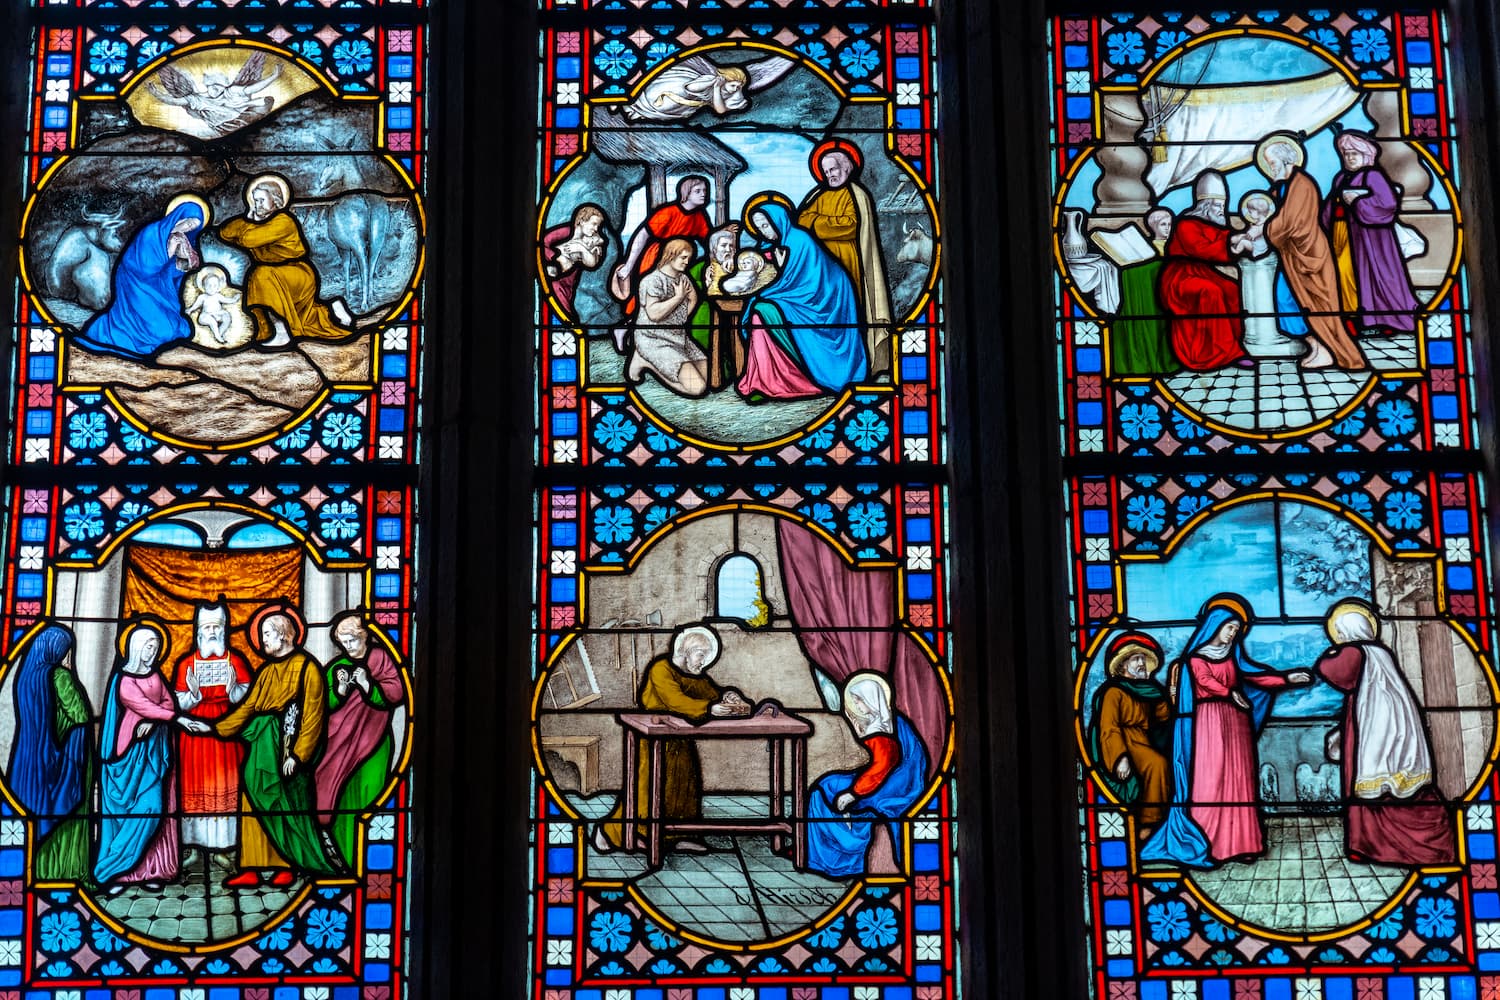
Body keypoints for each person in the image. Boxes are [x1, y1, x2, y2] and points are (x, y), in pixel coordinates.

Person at [1140, 596, 1312, 867]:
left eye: (1236, 630)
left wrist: (1286, 678)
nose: (1233, 634)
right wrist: (1229, 692)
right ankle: (1212, 842)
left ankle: (1243, 845)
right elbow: (1204, 681)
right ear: (1215, 627)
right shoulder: (1196, 658)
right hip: (1210, 721)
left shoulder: (1233, 657)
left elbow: (1255, 676)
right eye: (1230, 628)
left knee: (1239, 778)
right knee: (1213, 778)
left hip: (1236, 723)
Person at [1310, 599, 1456, 865]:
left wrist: (1329, 655)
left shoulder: (1356, 652)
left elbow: (1331, 671)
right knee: (1394, 782)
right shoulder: (1382, 653)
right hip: (1389, 722)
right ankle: (1371, 845)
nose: (1339, 638)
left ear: (1350, 632)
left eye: (1341, 633)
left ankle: (1370, 845)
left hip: (1372, 727)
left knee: (1371, 781)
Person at [594, 625, 750, 854]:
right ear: (687, 651)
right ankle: (618, 833)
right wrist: (712, 708)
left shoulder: (696, 676)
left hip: (681, 742)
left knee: (683, 787)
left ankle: (680, 835)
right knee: (647, 788)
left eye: (707, 657)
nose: (704, 662)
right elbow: (675, 700)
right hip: (653, 742)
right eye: (701, 656)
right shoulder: (661, 669)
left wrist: (728, 696)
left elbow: (712, 693)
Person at [214, 604, 341, 884]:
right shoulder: (268, 672)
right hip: (262, 751)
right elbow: (249, 707)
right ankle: (252, 867)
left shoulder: (307, 668)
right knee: (252, 805)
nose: (263, 641)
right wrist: (217, 728)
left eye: (267, 634)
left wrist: (298, 755)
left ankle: (287, 864)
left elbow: (313, 716)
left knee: (287, 808)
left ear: (284, 635)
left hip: (287, 754)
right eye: (262, 635)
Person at [95, 619, 212, 891]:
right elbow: (141, 704)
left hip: (154, 753)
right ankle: (114, 870)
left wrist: (155, 718)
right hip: (129, 754)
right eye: (148, 646)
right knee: (130, 812)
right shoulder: (123, 679)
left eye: (156, 646)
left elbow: (166, 702)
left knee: (153, 807)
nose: (153, 651)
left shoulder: (155, 674)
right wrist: (174, 719)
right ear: (135, 647)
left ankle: (151, 870)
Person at [1249, 133, 1364, 370]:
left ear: (1286, 160)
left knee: (1317, 305)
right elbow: (1272, 216)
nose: (1270, 169)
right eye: (1268, 164)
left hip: (1310, 257)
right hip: (1290, 257)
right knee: (1285, 300)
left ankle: (1327, 349)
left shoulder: (1303, 185)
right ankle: (1314, 345)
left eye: (1272, 163)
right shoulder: (1279, 189)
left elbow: (1292, 223)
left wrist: (1265, 230)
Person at [736, 196, 867, 400]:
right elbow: (764, 275)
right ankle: (763, 380)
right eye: (758, 227)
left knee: (760, 311)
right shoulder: (765, 247)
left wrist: (770, 282)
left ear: (778, 220)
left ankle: (792, 380)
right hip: (792, 299)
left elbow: (799, 283)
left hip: (820, 303)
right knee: (758, 314)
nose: (763, 231)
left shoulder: (799, 240)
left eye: (765, 224)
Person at [805, 672, 928, 877]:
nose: (857, 705)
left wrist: (853, 793)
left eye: (859, 700)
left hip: (887, 787)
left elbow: (883, 764)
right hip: (891, 780)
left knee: (823, 789)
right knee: (828, 784)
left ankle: (835, 856)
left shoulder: (881, 729)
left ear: (872, 700)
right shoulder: (887, 720)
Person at [217, 174, 353, 346]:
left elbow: (248, 240)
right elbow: (224, 232)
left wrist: (249, 223)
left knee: (260, 275)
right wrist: (249, 219)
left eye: (261, 200)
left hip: (296, 272)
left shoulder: (283, 221)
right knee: (304, 318)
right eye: (255, 201)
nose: (257, 205)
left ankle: (281, 331)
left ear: (275, 200)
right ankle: (332, 308)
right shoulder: (257, 221)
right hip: (277, 273)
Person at [314, 612, 405, 866]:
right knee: (341, 803)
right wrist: (341, 689)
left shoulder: (381, 659)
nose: (347, 646)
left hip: (372, 744)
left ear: (364, 636)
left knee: (370, 796)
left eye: (352, 640)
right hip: (338, 746)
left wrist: (367, 684)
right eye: (343, 642)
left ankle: (369, 861)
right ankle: (348, 860)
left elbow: (396, 693)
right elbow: (325, 702)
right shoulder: (336, 667)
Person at [798, 142, 894, 377]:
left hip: (848, 262)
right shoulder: (817, 195)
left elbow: (849, 227)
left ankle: (855, 365)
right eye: (826, 171)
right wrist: (820, 223)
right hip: (821, 268)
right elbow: (801, 221)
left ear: (847, 168)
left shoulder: (856, 195)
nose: (829, 174)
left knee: (848, 313)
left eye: (833, 169)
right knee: (824, 316)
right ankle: (828, 366)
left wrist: (817, 222)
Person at [6, 624, 92, 882]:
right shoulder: (59, 677)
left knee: (34, 813)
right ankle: (65, 872)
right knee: (67, 818)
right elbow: (81, 715)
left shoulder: (26, 678)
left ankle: (36, 871)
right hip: (64, 758)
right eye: (67, 650)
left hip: (29, 760)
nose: (68, 656)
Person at [75, 194, 208, 358]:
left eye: (193, 227)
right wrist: (170, 249)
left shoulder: (185, 241)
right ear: (177, 218)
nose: (188, 228)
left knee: (174, 328)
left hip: (161, 290)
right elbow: (144, 267)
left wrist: (183, 264)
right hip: (136, 285)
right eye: (187, 222)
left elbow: (173, 274)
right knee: (162, 330)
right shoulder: (152, 233)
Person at [1321, 130, 1423, 335]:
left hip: (1370, 239)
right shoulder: (1341, 177)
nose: (1349, 158)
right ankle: (1352, 318)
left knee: (1375, 276)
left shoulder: (1373, 175)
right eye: (1346, 154)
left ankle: (1388, 319)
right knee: (1342, 274)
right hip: (1342, 233)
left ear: (1366, 155)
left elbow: (1387, 204)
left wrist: (1357, 201)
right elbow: (1330, 205)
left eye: (1354, 154)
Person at [172, 601, 253, 855]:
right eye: (206, 627)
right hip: (194, 732)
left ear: (224, 629)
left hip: (225, 731)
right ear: (198, 631)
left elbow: (250, 700)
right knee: (193, 785)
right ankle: (194, 845)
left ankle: (224, 846)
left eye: (216, 627)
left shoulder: (235, 660)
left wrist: (233, 689)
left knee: (226, 782)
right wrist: (193, 693)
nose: (212, 632)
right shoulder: (186, 663)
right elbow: (177, 701)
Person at [1158, 171, 1251, 371]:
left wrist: (1242, 238)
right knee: (1210, 291)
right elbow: (1202, 249)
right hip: (1180, 277)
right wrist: (1233, 243)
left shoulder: (1215, 223)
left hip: (1204, 272)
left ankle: (1234, 347)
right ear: (1205, 205)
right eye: (1217, 205)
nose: (1221, 210)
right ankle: (1212, 352)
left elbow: (1225, 238)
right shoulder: (1186, 224)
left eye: (1223, 205)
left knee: (1231, 289)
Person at [610, 176, 713, 351]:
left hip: (681, 264)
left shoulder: (699, 216)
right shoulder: (668, 212)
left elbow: (709, 243)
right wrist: (629, 265)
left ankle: (662, 338)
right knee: (645, 298)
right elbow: (642, 235)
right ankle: (623, 329)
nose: (703, 194)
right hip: (656, 260)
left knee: (674, 301)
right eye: (698, 191)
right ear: (686, 193)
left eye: (705, 191)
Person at [1087, 633, 1172, 841]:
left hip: (1143, 738)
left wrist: (1167, 697)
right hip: (1124, 741)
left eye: (1143, 659)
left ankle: (1158, 821)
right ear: (1123, 664)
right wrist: (1120, 758)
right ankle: (1147, 823)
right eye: (1136, 659)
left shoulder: (1149, 690)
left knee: (1164, 763)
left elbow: (1163, 719)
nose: (1141, 663)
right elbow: (1109, 727)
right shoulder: (1114, 692)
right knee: (1156, 764)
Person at [628, 238, 710, 397]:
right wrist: (678, 298)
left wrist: (681, 319)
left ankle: (648, 361)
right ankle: (645, 361)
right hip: (653, 338)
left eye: (689, 258)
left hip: (678, 337)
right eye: (683, 257)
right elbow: (654, 314)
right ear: (671, 255)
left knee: (708, 378)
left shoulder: (682, 278)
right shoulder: (652, 280)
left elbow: (693, 298)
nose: (687, 262)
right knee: (698, 388)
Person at [1111, 208, 1179, 375]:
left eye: (1170, 224)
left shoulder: (1177, 245)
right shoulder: (1147, 247)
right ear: (1153, 226)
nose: (1167, 228)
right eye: (1163, 224)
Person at [541, 203, 606, 319]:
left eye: (598, 226)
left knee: (565, 311)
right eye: (594, 224)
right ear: (582, 221)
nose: (596, 229)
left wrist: (581, 248)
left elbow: (592, 262)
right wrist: (556, 257)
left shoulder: (594, 241)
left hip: (567, 286)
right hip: (553, 282)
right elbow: (544, 243)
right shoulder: (566, 231)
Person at [185, 267, 240, 345]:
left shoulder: (218, 296)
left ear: (218, 287)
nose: (212, 288)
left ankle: (219, 334)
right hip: (206, 316)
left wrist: (234, 299)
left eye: (214, 285)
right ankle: (218, 337)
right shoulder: (202, 297)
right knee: (212, 321)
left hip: (218, 314)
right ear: (203, 286)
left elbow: (227, 300)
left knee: (227, 317)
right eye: (209, 285)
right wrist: (190, 310)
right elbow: (196, 305)